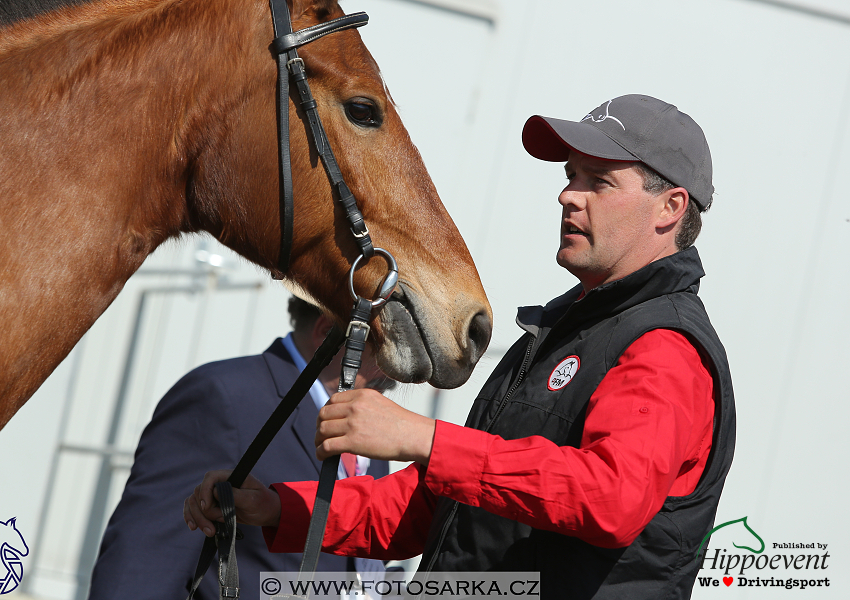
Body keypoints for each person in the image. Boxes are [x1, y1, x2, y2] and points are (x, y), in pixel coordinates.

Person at [184, 94, 737, 599]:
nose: (569, 195)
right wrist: (277, 507)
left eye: (600, 181)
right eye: (571, 176)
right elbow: (436, 509)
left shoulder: (664, 345)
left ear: (670, 208)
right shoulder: (565, 333)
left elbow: (610, 498)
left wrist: (424, 438)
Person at [89, 296, 393, 600]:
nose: (401, 366)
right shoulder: (223, 397)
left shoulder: (367, 420)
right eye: (388, 347)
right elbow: (145, 563)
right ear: (327, 332)